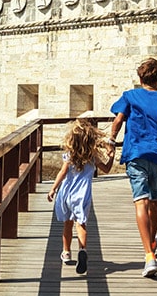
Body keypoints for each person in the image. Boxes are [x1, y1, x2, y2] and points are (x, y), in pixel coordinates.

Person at [109, 57, 157, 278]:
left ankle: (149, 254)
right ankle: (153, 237)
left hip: (135, 152)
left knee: (141, 200)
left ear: (140, 78)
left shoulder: (130, 96)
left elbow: (118, 121)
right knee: (155, 200)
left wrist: (111, 140)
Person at [45, 117, 115, 275]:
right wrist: (111, 155)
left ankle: (66, 252)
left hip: (66, 193)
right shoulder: (92, 156)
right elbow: (106, 169)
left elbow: (62, 173)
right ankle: (82, 249)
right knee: (81, 224)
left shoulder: (69, 155)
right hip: (82, 194)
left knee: (67, 224)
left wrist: (53, 189)